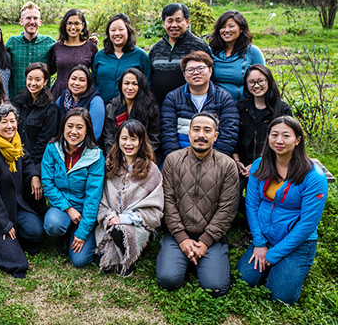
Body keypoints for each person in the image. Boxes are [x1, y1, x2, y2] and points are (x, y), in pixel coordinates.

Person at [237, 116, 328, 304]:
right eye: (274, 134)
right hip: (266, 237)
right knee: (244, 280)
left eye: (286, 135)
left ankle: (289, 265)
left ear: (297, 140)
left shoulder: (314, 176)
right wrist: (260, 243)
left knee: (279, 298)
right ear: (268, 137)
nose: (279, 141)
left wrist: (274, 254)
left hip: (297, 242)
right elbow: (252, 205)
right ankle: (272, 264)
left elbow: (307, 224)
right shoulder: (259, 165)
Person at [156, 112, 239, 297]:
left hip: (211, 236)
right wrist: (182, 238)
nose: (201, 134)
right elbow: (167, 200)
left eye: (207, 130)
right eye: (196, 129)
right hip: (177, 234)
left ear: (215, 136)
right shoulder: (173, 160)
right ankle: (180, 255)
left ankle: (202, 256)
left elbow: (227, 208)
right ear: (189, 134)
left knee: (216, 288)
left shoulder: (227, 165)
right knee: (168, 280)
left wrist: (205, 241)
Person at [0, 104, 44, 278]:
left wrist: (34, 175)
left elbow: (26, 160)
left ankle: (13, 236)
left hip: (15, 205)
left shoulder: (15, 143)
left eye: (12, 121)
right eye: (4, 122)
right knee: (19, 263)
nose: (9, 126)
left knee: (36, 232)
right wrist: (4, 224)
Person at [95, 120, 164, 276]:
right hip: (110, 219)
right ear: (118, 140)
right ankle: (121, 250)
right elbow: (102, 198)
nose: (128, 143)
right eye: (124, 138)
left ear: (141, 142)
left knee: (122, 232)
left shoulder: (151, 170)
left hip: (138, 223)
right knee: (100, 255)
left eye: (133, 139)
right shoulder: (110, 164)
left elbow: (154, 208)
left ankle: (129, 260)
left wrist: (123, 219)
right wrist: (111, 216)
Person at [233, 65, 292, 243]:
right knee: (232, 192)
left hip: (271, 162)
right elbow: (234, 137)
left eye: (260, 81)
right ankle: (251, 219)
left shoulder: (282, 110)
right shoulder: (241, 107)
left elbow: (287, 142)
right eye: (251, 82)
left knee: (265, 191)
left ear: (269, 82)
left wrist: (259, 163)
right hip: (241, 164)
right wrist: (236, 160)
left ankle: (259, 227)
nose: (256, 85)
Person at [42, 108, 105, 268]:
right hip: (62, 206)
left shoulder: (95, 156)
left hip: (85, 210)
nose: (73, 131)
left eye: (79, 127)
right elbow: (47, 184)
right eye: (70, 126)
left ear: (87, 130)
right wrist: (68, 208)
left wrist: (82, 233)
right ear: (63, 127)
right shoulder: (52, 148)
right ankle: (65, 233)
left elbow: (93, 197)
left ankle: (80, 231)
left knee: (80, 261)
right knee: (53, 224)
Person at [160, 51, 239, 159]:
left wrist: (214, 161)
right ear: (184, 74)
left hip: (215, 160)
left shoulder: (224, 99)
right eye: (190, 70)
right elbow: (168, 134)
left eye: (201, 68)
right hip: (180, 159)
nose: (196, 73)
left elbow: (229, 134)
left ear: (210, 70)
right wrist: (179, 160)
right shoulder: (172, 98)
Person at [149, 3, 210, 106]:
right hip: (158, 107)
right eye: (170, 21)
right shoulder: (156, 48)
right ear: (164, 23)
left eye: (178, 20)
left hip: (188, 108)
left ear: (187, 22)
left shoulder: (199, 46)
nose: (174, 25)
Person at [92, 13, 151, 104]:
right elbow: (93, 82)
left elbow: (147, 85)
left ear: (128, 31)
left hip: (130, 109)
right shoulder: (100, 56)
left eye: (121, 29)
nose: (117, 33)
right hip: (102, 107)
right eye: (113, 30)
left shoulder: (141, 56)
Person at [210, 10, 265, 101]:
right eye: (223, 27)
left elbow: (264, 81)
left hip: (243, 107)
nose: (227, 30)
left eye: (231, 26)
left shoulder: (252, 52)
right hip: (216, 105)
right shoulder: (212, 51)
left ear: (241, 29)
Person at [102, 68, 160, 155]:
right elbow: (108, 137)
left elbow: (154, 138)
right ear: (121, 85)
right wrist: (115, 157)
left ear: (140, 87)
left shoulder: (150, 108)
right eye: (126, 83)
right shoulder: (112, 107)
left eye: (135, 84)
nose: (130, 88)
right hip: (116, 156)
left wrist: (137, 158)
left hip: (143, 156)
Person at [6, 1, 56, 97]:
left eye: (35, 18)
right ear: (21, 21)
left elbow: (66, 52)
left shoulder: (49, 43)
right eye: (28, 18)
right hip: (16, 98)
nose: (32, 22)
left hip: (42, 100)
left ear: (40, 22)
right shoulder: (12, 43)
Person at [12, 62, 59, 166]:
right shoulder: (18, 101)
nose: (32, 83)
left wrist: (27, 161)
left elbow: (44, 141)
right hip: (13, 155)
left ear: (45, 82)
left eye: (38, 80)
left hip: (35, 161)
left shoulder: (50, 107)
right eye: (29, 79)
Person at [50, 9, 98, 99]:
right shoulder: (57, 47)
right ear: (65, 25)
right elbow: (50, 70)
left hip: (82, 93)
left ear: (83, 25)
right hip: (59, 92)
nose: (73, 27)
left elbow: (96, 73)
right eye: (69, 23)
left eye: (77, 23)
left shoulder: (91, 47)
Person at [55, 65, 105, 141]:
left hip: (85, 146)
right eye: (73, 79)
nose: (76, 83)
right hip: (61, 144)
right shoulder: (63, 97)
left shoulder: (95, 101)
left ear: (88, 83)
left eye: (82, 80)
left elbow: (95, 133)